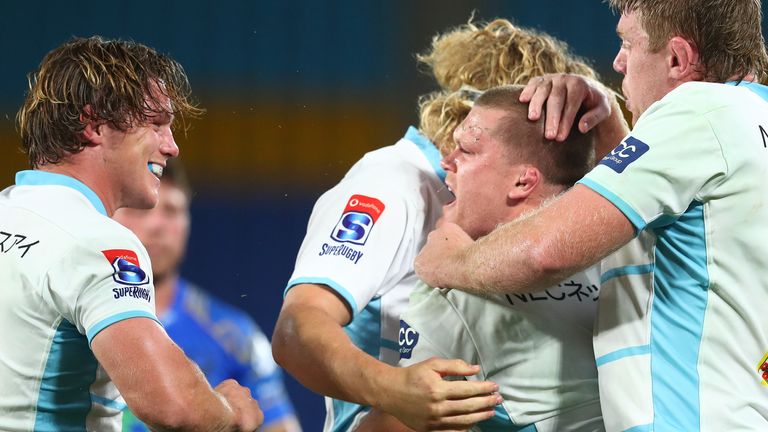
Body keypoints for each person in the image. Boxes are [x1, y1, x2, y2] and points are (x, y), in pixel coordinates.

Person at [415, 1, 768, 431]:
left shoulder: (698, 113)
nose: (618, 62)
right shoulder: (747, 119)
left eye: (627, 44)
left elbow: (544, 253)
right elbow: (660, 212)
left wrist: (448, 260)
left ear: (677, 59)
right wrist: (610, 125)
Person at [273, 18, 622, 432]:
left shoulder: (538, 207)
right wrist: (394, 389)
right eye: (539, 118)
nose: (552, 139)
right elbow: (298, 326)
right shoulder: (393, 184)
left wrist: (611, 117)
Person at [0, 36, 262, 431]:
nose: (171, 147)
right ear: (93, 126)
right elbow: (175, 407)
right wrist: (230, 412)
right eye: (156, 125)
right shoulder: (98, 241)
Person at [113, 159, 301, 432]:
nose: (156, 225)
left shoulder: (235, 336)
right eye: (140, 211)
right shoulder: (72, 321)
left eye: (171, 210)